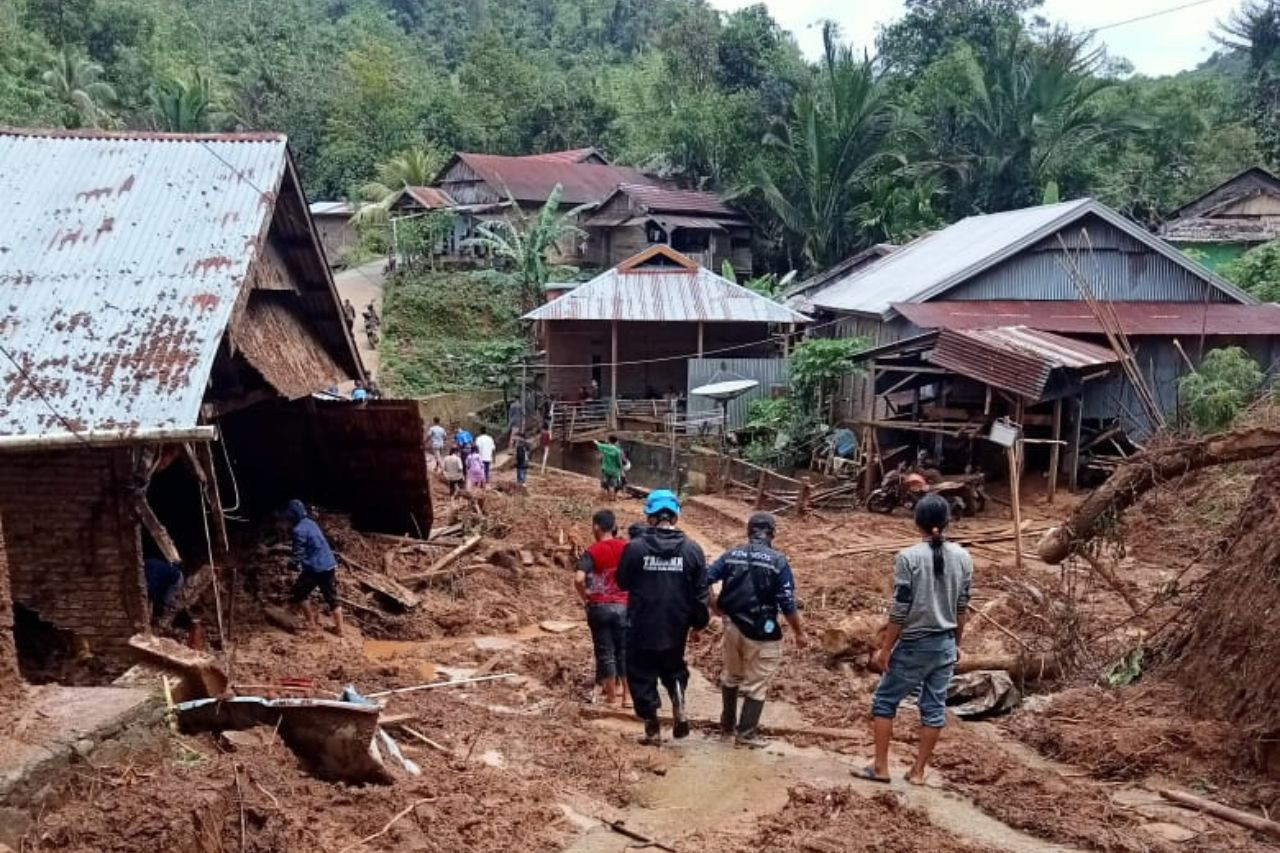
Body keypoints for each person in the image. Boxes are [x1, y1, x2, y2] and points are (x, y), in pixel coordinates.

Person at [862, 495, 972, 785]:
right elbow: (962, 607)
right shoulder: (963, 556)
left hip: (914, 644)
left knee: (885, 701)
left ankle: (881, 767)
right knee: (934, 707)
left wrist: (886, 648)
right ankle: (919, 772)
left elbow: (900, 609)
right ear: (947, 522)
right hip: (945, 643)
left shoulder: (908, 557)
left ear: (916, 522)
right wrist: (957, 644)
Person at [616, 490, 709, 745]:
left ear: (649, 517)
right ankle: (677, 696)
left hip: (641, 623)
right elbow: (702, 591)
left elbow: (622, 582)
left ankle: (652, 728)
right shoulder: (693, 550)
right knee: (673, 665)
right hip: (676, 625)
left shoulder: (634, 548)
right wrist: (698, 624)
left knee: (640, 672)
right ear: (676, 517)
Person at [708, 512, 807, 748]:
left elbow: (704, 578)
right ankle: (747, 732)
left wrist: (714, 606)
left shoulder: (732, 554)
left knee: (731, 676)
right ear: (772, 533)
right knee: (757, 683)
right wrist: (800, 632)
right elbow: (787, 602)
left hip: (731, 625)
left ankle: (727, 727)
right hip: (763, 631)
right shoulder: (778, 561)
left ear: (748, 531)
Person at [575, 509, 630, 708]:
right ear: (614, 527)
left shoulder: (592, 551)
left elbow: (579, 579)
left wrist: (586, 597)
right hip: (623, 606)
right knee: (623, 651)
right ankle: (627, 697)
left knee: (605, 652)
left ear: (596, 527)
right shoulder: (626, 547)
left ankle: (611, 698)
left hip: (599, 607)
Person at [283, 499, 343, 634]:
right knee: (332, 597)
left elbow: (298, 553)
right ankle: (339, 629)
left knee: (299, 592)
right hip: (329, 564)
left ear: (292, 515)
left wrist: (292, 564)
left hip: (315, 568)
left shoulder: (298, 530)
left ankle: (311, 623)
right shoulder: (311, 523)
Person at [144, 556, 185, 624]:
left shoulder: (150, 568)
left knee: (167, 601)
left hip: (176, 579)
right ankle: (159, 619)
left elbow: (152, 586)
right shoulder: (149, 564)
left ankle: (164, 622)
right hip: (171, 579)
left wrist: (149, 598)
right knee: (162, 599)